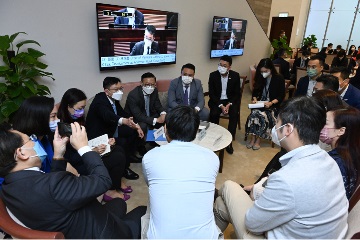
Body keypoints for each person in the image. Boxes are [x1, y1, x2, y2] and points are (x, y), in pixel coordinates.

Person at [214, 96, 348, 239]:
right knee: (222, 205)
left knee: (228, 186)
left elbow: (252, 224)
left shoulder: (287, 179)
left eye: (277, 122)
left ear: (288, 129)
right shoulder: (329, 160)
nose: (274, 128)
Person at [0, 122, 146, 238]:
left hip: (75, 221)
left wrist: (58, 154)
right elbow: (102, 180)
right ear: (21, 153)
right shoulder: (52, 187)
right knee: (143, 210)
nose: (34, 142)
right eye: (30, 139)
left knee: (119, 203)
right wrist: (84, 148)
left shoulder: (8, 187)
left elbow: (52, 191)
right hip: (100, 233)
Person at [141, 106, 221, 238]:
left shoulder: (150, 157)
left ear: (165, 129)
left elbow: (150, 183)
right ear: (196, 132)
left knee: (152, 198)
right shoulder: (212, 158)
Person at [57, 88, 131, 201]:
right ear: (68, 106)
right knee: (117, 157)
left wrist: (104, 142)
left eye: (83, 108)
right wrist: (92, 151)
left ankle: (115, 184)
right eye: (79, 108)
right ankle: (110, 190)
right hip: (77, 164)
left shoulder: (77, 119)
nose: (82, 111)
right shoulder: (62, 128)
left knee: (118, 149)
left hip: (85, 154)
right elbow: (70, 159)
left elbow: (85, 140)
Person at [86, 77, 144, 180]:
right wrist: (124, 121)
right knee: (122, 142)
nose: (120, 92)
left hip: (111, 128)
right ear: (106, 91)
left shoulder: (113, 99)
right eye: (116, 89)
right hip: (100, 134)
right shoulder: (100, 101)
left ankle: (129, 156)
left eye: (121, 88)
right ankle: (125, 169)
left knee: (132, 131)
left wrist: (135, 124)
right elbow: (107, 115)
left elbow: (122, 113)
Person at [320, 107, 360, 199]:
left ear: (341, 131)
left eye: (325, 123)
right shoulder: (352, 155)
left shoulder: (333, 162)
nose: (321, 126)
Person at [245, 58, 285, 150]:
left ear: (271, 69)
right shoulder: (260, 77)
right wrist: (254, 99)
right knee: (254, 114)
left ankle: (258, 139)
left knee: (262, 116)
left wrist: (271, 103)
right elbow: (255, 92)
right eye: (262, 71)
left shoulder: (279, 78)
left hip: (272, 105)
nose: (263, 73)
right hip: (260, 103)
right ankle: (253, 138)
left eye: (265, 71)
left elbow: (281, 96)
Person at [11, 96, 57, 173]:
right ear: (39, 118)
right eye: (53, 116)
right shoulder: (23, 145)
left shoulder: (43, 138)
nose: (57, 120)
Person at [124, 72, 166, 153]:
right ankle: (141, 145)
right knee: (143, 125)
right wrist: (156, 120)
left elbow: (158, 105)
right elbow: (138, 115)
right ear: (141, 83)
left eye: (152, 84)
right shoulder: (133, 95)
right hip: (134, 118)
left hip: (149, 114)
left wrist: (163, 114)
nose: (150, 87)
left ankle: (154, 140)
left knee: (164, 119)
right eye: (147, 84)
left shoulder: (154, 91)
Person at [208, 55, 241, 154]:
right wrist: (221, 106)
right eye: (220, 65)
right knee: (213, 114)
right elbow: (212, 94)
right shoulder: (213, 75)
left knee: (234, 113)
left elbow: (236, 94)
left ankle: (229, 141)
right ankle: (214, 137)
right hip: (217, 100)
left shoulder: (235, 76)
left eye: (224, 65)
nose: (221, 67)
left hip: (230, 100)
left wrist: (229, 104)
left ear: (229, 67)